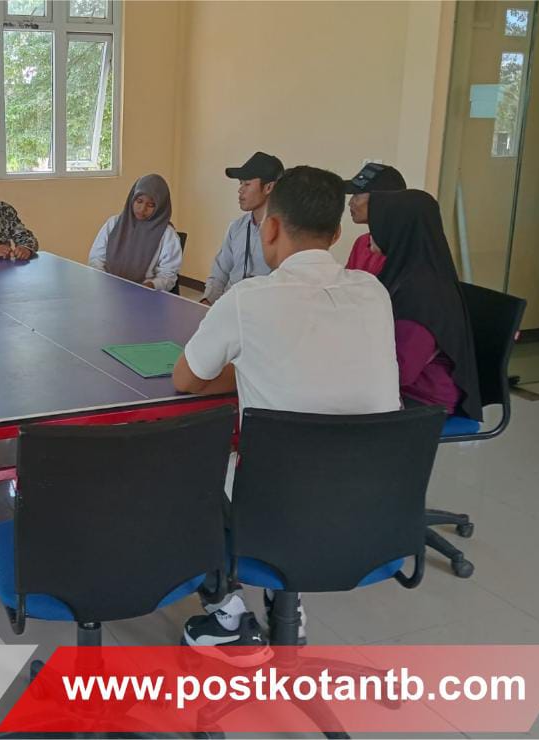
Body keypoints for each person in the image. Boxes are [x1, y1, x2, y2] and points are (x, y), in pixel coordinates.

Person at [174, 166, 401, 648]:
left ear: (270, 227)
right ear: (336, 235)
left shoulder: (247, 299)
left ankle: (226, 612)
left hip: (278, 508)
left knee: (181, 471)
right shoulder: (374, 292)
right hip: (375, 506)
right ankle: (287, 606)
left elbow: (186, 379)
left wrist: (243, 366)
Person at [369, 189, 483, 420]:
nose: (370, 233)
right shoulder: (405, 271)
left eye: (376, 224)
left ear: (397, 228)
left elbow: (402, 371)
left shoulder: (422, 293)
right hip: (400, 388)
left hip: (425, 400)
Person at [200, 152, 284, 305]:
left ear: (268, 187)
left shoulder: (286, 233)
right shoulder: (236, 228)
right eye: (240, 183)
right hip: (230, 304)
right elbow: (220, 273)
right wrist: (207, 300)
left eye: (247, 184)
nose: (240, 190)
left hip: (262, 309)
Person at [87, 174, 183, 291]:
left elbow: (168, 275)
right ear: (131, 199)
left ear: (160, 206)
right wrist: (104, 280)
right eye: (139, 201)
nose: (142, 209)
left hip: (144, 294)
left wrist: (151, 286)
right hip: (108, 288)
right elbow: (96, 259)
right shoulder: (114, 223)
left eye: (151, 205)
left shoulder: (168, 235)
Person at [343, 162, 407, 275]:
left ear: (381, 199)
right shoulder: (362, 242)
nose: (350, 203)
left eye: (356, 195)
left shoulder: (403, 246)